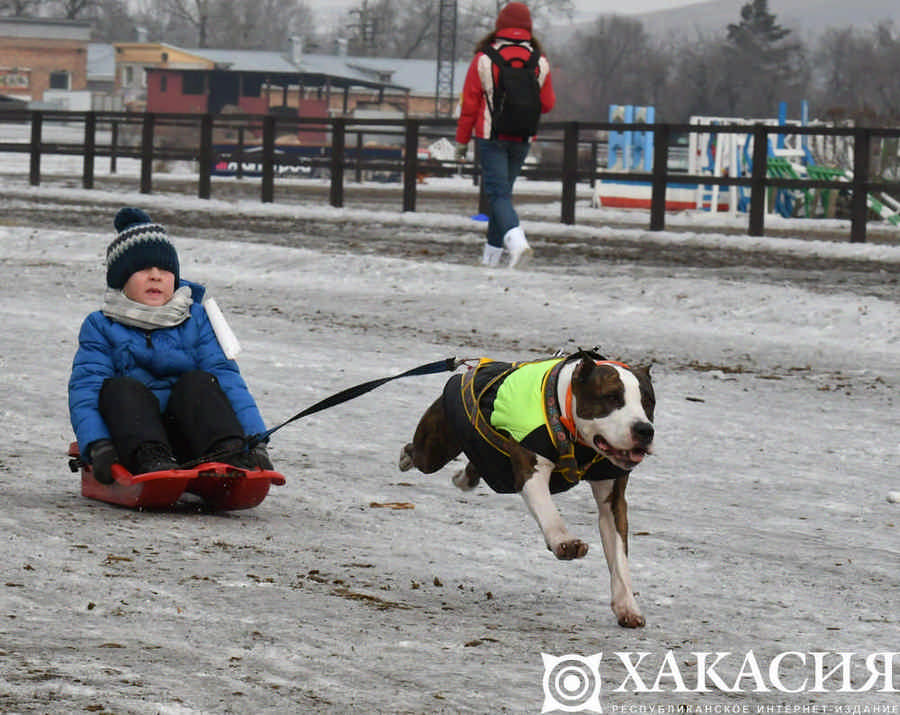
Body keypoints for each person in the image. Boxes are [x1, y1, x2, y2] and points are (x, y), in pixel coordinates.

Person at [68, 207, 273, 484]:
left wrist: (254, 439)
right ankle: (153, 461)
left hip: (192, 438)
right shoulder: (101, 325)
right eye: (142, 269)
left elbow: (228, 380)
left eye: (165, 269)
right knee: (120, 388)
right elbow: (86, 390)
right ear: (120, 280)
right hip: (135, 441)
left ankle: (228, 454)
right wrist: (98, 444)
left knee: (200, 382)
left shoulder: (196, 318)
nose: (155, 276)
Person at [455, 1, 555, 268]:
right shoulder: (540, 62)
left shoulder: (484, 59)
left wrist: (462, 141)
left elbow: (469, 106)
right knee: (502, 195)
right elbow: (548, 104)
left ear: (499, 26)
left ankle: (518, 243)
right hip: (522, 138)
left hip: (491, 137)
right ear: (528, 28)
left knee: (497, 196)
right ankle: (490, 258)